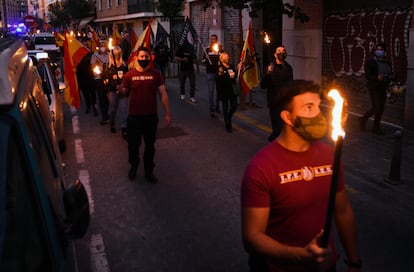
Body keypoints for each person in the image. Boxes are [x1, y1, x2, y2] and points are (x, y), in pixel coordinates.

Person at [241, 80, 361, 272]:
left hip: (325, 267)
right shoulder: (261, 168)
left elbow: (343, 210)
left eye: (318, 107)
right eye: (308, 107)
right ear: (288, 117)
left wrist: (354, 262)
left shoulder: (330, 156)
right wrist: (299, 256)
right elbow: (252, 238)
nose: (318, 115)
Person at [121, 46, 171, 183]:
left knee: (150, 146)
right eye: (141, 57)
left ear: (150, 58)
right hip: (134, 118)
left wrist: (167, 113)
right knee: (133, 146)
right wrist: (118, 88)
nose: (144, 59)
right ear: (137, 58)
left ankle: (149, 171)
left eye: (146, 57)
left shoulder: (156, 74)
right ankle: (134, 166)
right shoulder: (129, 75)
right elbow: (123, 93)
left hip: (150, 117)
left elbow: (164, 94)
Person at [260, 45, 293, 142]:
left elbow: (290, 84)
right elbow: (263, 85)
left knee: (285, 126)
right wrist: (268, 73)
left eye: (284, 51)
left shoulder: (288, 68)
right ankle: (273, 140)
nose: (282, 52)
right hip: (274, 101)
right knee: (277, 128)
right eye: (279, 51)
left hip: (285, 101)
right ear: (275, 54)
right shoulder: (270, 68)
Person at [360, 41, 393, 135]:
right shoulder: (371, 62)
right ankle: (363, 119)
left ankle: (376, 127)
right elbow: (368, 75)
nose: (379, 51)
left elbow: (389, 74)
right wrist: (376, 77)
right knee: (377, 108)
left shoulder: (387, 63)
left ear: (384, 51)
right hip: (374, 87)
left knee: (381, 109)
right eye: (377, 49)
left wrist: (391, 79)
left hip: (383, 88)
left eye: (381, 49)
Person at [103, 46, 129, 137]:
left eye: (119, 54)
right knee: (113, 108)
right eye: (115, 54)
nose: (117, 56)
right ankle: (112, 121)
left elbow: (127, 77)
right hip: (112, 91)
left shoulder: (124, 65)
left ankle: (124, 128)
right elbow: (105, 78)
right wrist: (107, 85)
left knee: (124, 108)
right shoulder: (108, 66)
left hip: (123, 90)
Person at [202, 34, 224, 118]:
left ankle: (217, 106)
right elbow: (203, 61)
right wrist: (206, 59)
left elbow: (224, 59)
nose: (212, 41)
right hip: (210, 73)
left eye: (214, 39)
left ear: (216, 40)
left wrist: (220, 57)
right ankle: (211, 109)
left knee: (219, 91)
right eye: (211, 39)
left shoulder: (220, 49)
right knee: (211, 92)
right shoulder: (207, 49)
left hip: (218, 73)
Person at [216, 52, 238, 133]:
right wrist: (221, 74)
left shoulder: (231, 66)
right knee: (225, 107)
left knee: (234, 106)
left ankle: (229, 117)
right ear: (222, 59)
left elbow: (235, 75)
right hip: (224, 90)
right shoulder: (220, 68)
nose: (227, 59)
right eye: (226, 58)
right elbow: (218, 80)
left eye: (228, 57)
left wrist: (237, 70)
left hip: (232, 90)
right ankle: (227, 124)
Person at [91, 41, 110, 124]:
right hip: (99, 79)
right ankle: (104, 116)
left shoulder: (109, 54)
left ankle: (109, 114)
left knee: (108, 98)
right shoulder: (95, 55)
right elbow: (92, 66)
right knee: (101, 97)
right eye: (101, 44)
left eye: (104, 44)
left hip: (108, 79)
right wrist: (96, 63)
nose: (102, 46)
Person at [77, 43, 97, 115]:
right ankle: (88, 106)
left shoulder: (91, 55)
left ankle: (94, 107)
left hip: (90, 78)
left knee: (92, 94)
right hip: (83, 79)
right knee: (86, 94)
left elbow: (94, 65)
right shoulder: (78, 57)